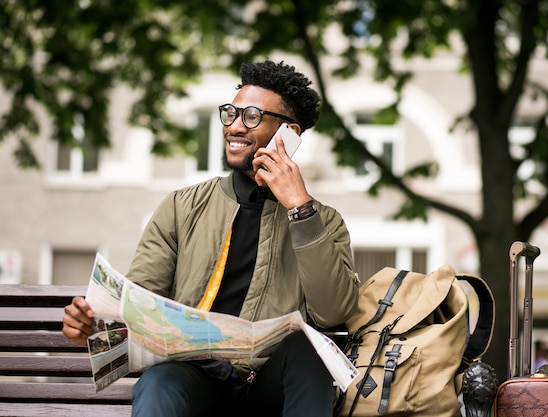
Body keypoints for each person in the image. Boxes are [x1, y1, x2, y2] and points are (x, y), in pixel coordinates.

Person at [62, 60, 360, 417]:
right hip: (196, 381)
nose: (234, 126)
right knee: (159, 382)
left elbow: (333, 314)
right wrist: (95, 327)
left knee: (305, 350)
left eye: (251, 116)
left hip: (271, 388)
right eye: (231, 114)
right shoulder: (180, 207)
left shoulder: (323, 222)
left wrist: (300, 208)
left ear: (289, 133)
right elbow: (139, 303)